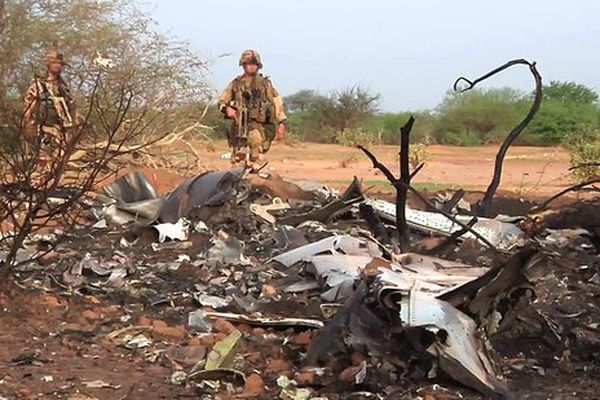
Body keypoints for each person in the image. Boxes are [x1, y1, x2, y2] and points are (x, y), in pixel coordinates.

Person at [218, 49, 286, 169]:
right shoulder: (235, 84)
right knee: (239, 157)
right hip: (239, 126)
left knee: (257, 157)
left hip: (258, 127)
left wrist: (281, 123)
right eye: (248, 64)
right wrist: (227, 109)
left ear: (258, 66)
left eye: (253, 64)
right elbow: (222, 100)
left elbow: (277, 102)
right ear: (243, 65)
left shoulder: (265, 84)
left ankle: (256, 183)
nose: (250, 67)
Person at [22, 49, 76, 175]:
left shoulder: (63, 88)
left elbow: (71, 110)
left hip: (61, 131)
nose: (58, 65)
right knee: (42, 162)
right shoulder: (38, 85)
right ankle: (36, 188)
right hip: (44, 130)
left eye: (60, 63)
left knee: (60, 164)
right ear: (48, 65)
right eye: (55, 62)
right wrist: (28, 129)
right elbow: (28, 109)